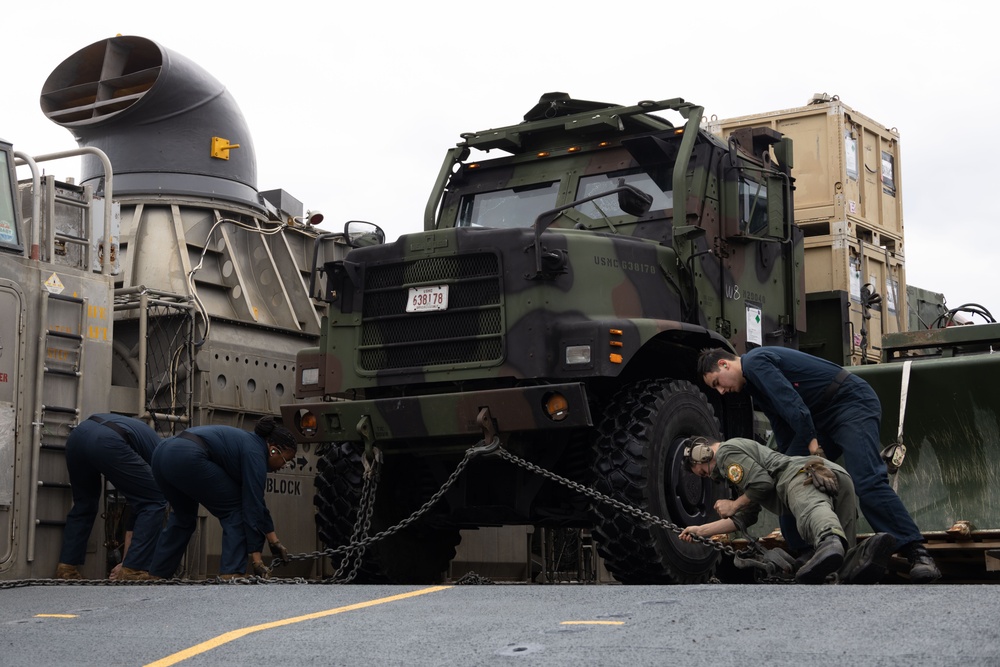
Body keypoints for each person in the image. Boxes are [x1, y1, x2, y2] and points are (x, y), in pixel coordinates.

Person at [697, 346, 941, 583]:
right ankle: (807, 552)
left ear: (724, 364)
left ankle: (916, 552)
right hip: (816, 420)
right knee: (786, 478)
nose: (720, 391)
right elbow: (782, 423)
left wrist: (813, 446)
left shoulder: (755, 362)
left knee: (866, 479)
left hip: (849, 403)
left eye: (717, 382)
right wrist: (788, 460)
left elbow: (790, 400)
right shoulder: (751, 386)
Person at [678, 436, 897, 584]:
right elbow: (744, 518)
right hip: (835, 474)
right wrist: (700, 530)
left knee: (813, 512)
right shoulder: (744, 464)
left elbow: (762, 483)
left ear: (704, 454)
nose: (710, 476)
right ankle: (866, 553)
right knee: (840, 554)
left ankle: (829, 539)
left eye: (704, 472)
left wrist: (733, 504)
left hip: (801, 474)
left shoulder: (726, 453)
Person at [147, 416, 294, 580]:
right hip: (188, 456)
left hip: (161, 454)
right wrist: (257, 560)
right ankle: (232, 571)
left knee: (183, 518)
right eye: (285, 461)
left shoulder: (247, 443)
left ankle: (158, 573)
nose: (282, 467)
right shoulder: (256, 453)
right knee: (236, 511)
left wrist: (274, 541)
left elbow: (257, 502)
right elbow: (251, 506)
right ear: (274, 450)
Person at [55, 414, 166, 581]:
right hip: (107, 440)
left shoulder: (155, 445)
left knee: (85, 504)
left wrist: (125, 562)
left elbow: (136, 513)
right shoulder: (163, 461)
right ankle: (135, 569)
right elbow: (149, 505)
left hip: (78, 437)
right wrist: (131, 564)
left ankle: (67, 568)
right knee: (156, 498)